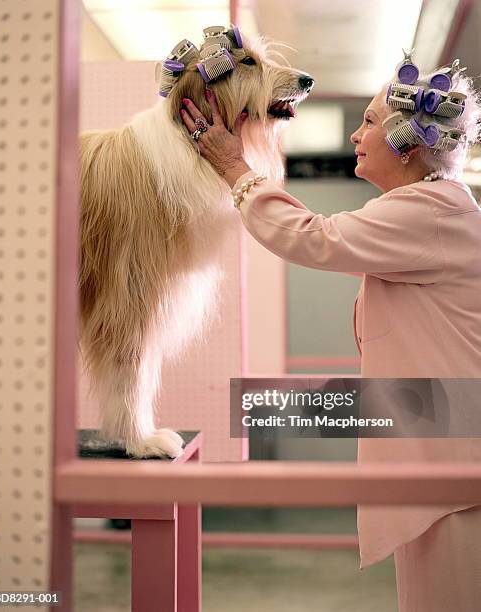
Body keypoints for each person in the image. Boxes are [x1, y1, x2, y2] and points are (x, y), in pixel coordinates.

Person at [180, 53, 481, 610]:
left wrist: (234, 168)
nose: (354, 133)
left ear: (408, 147)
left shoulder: (428, 211)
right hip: (445, 433)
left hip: (454, 450)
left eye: (367, 122)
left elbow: (311, 238)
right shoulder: (426, 210)